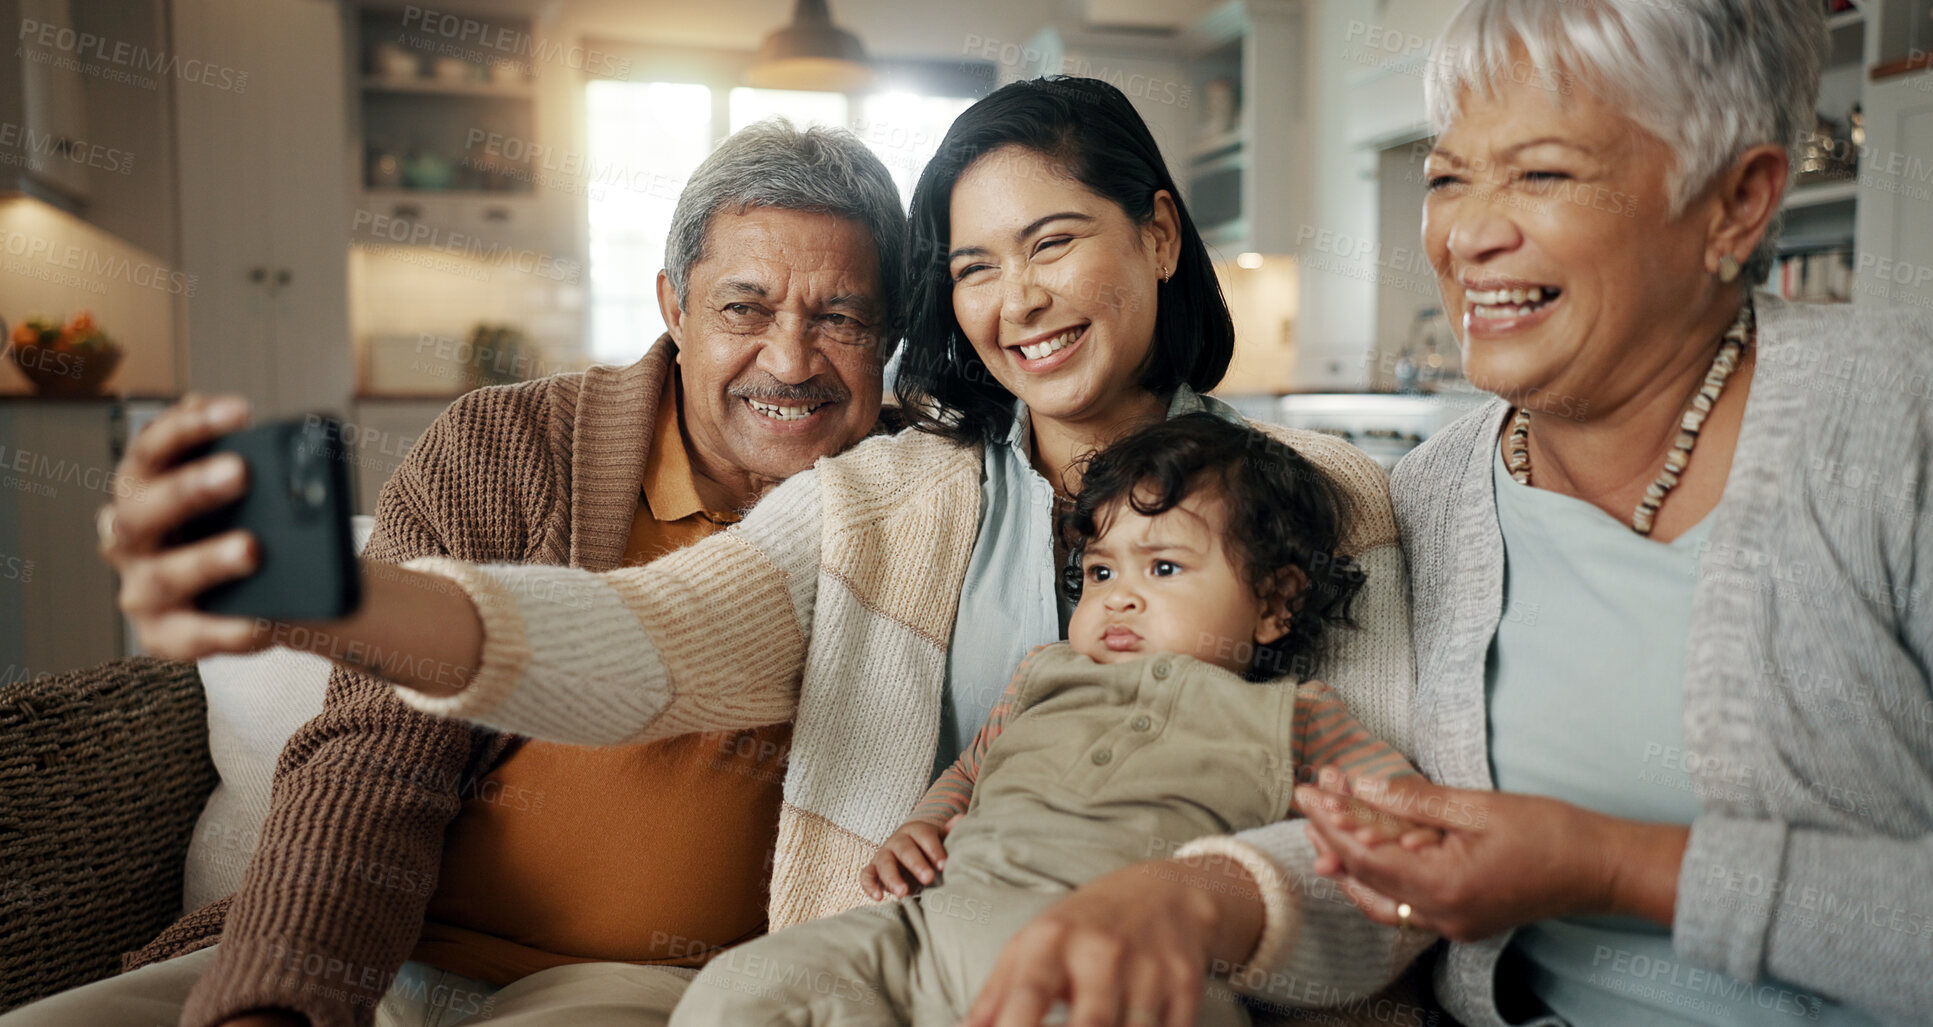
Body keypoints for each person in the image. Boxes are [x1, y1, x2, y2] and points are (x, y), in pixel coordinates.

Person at [101, 77, 1426, 1025]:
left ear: (1154, 232)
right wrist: (336, 593)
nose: (1014, 297)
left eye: (1052, 241)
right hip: (884, 967)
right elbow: (647, 638)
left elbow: (1385, 866)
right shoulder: (888, 490)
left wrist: (1192, 908)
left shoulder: (1323, 499)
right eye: (971, 264)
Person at [29, 119, 904, 1027]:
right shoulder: (506, 445)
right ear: (674, 308)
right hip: (368, 938)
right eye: (744, 308)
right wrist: (279, 999)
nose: (792, 360)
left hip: (631, 987)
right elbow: (374, 750)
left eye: (840, 317)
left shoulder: (923, 507)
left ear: (889, 335)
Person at [1291, 1, 1933, 1025]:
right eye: (1447, 178)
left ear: (1738, 202)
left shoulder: (1910, 431)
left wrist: (1615, 867)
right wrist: (1180, 899)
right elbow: (1346, 826)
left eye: (1541, 173)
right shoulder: (1417, 501)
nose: (1467, 233)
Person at [668, 413, 1428, 1027]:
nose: (1119, 596)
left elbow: (1402, 814)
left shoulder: (1289, 715)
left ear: (1274, 603)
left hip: (1106, 956)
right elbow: (968, 771)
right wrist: (921, 824)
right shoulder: (1043, 672)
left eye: (1162, 567)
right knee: (743, 987)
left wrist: (1397, 827)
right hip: (926, 930)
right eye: (1101, 571)